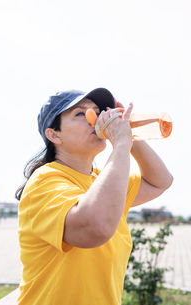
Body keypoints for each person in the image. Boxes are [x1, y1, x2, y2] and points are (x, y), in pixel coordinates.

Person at [16, 87, 173, 305]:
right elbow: (94, 228)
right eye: (80, 114)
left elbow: (160, 181)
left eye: (97, 111)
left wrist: (128, 133)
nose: (94, 118)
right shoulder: (45, 180)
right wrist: (120, 143)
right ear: (54, 135)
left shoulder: (102, 180)